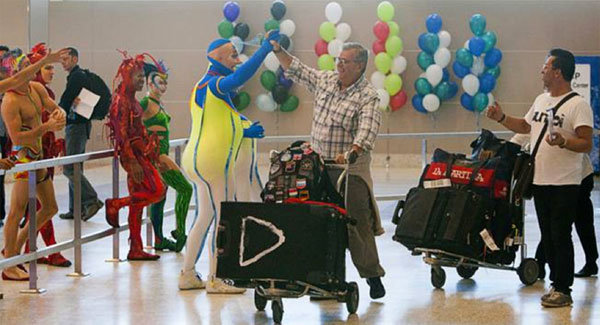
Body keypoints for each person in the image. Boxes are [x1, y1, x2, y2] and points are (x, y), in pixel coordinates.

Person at [272, 41, 386, 299]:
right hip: (318, 167)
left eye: (345, 62)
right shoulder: (326, 81)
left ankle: (372, 276)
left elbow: (367, 130)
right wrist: (278, 50)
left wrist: (354, 150)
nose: (339, 65)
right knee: (315, 219)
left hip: (349, 169)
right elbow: (298, 69)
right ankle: (321, 275)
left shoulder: (367, 95)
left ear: (360, 66)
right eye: (338, 60)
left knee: (356, 222)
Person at [486, 48, 593, 307]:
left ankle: (563, 289)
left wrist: (564, 141)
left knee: (560, 234)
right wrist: (500, 117)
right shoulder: (541, 100)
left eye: (545, 67)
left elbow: (586, 143)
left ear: (558, 72)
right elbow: (525, 126)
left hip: (565, 182)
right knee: (548, 233)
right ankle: (556, 284)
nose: (541, 71)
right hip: (540, 180)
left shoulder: (578, 105)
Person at [179, 30, 279, 292]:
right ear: (220, 58)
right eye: (233, 56)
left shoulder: (200, 87)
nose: (236, 60)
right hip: (214, 163)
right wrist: (264, 49)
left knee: (204, 217)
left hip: (196, 159)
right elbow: (239, 77)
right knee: (222, 219)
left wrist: (244, 131)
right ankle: (217, 278)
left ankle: (187, 274)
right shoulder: (215, 83)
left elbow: (215, 122)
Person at [1, 51, 66, 281]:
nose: (32, 69)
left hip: (38, 156)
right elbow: (18, 138)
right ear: (14, 72)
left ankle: (14, 250)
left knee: (50, 207)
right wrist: (47, 128)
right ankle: (9, 264)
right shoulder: (9, 100)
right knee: (16, 211)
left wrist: (60, 114)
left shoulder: (36, 89)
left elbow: (53, 106)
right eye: (26, 66)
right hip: (23, 157)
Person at [105, 51, 166, 261]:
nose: (141, 80)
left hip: (140, 153)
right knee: (158, 190)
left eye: (142, 76)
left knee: (139, 204)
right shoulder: (121, 101)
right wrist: (132, 161)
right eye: (138, 77)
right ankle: (116, 204)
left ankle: (135, 248)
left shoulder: (131, 100)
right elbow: (121, 135)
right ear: (126, 77)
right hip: (132, 156)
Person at [511, 135, 598, 279]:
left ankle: (587, 262)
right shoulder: (537, 118)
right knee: (559, 223)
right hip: (557, 179)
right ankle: (543, 263)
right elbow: (516, 139)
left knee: (574, 223)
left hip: (578, 177)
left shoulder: (558, 120)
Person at [21, 43, 71, 267]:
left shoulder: (43, 92)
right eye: (47, 67)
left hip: (44, 152)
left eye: (52, 68)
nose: (52, 72)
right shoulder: (23, 94)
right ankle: (37, 249)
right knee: (38, 205)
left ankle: (27, 248)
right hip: (30, 155)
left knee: (40, 205)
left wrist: (59, 117)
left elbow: (56, 113)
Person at [141, 60, 192, 252]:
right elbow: (131, 122)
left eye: (165, 82)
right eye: (159, 82)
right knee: (185, 189)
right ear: (149, 83)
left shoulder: (157, 103)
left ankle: (160, 239)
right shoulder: (145, 102)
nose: (163, 86)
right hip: (157, 156)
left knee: (160, 196)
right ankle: (180, 233)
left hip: (160, 154)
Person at [58, 47, 103, 221]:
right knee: (75, 167)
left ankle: (91, 200)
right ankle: (75, 209)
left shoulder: (77, 76)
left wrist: (56, 111)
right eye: (61, 59)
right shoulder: (77, 76)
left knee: (70, 168)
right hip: (79, 125)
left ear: (75, 59)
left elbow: (66, 98)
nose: (63, 62)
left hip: (77, 126)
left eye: (66, 58)